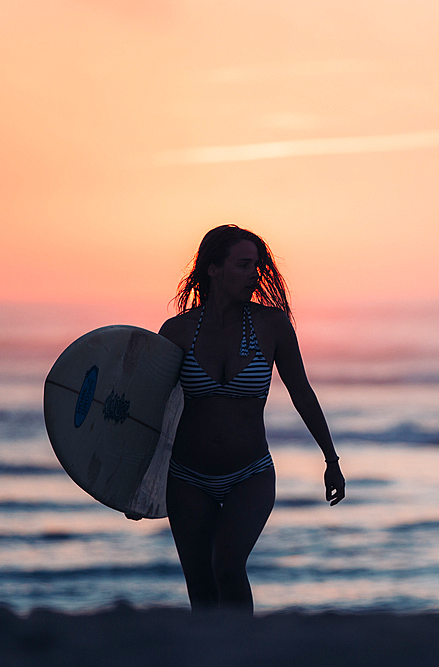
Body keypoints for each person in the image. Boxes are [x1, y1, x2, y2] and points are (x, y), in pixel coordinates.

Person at [156, 225, 344, 613]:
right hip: (188, 478)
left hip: (251, 474)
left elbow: (302, 392)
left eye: (256, 266)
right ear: (213, 269)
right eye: (243, 265)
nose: (253, 274)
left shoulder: (272, 325)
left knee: (226, 565)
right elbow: (150, 409)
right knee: (201, 587)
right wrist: (132, 483)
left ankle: (243, 652)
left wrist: (331, 460)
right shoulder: (176, 332)